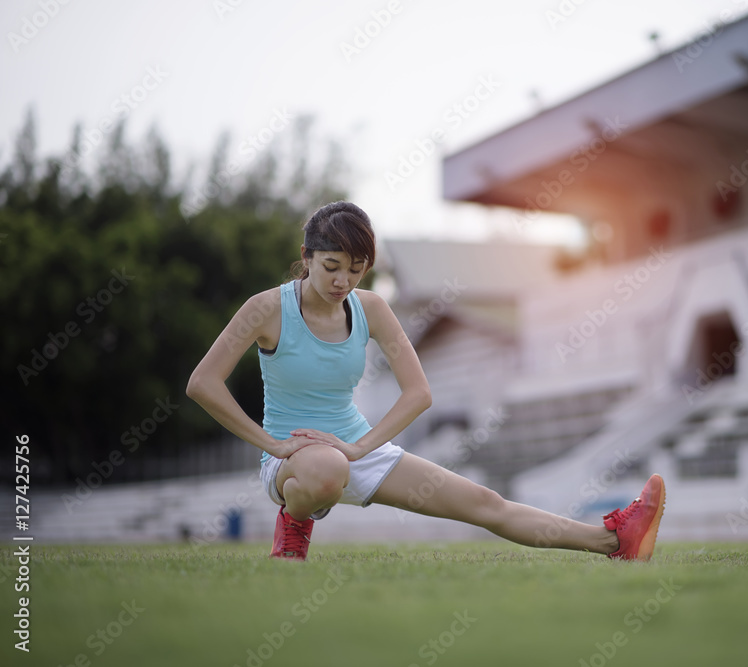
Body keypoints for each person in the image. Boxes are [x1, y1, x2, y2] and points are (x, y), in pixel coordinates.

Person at [186, 201, 665, 561]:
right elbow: (203, 383)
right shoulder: (267, 309)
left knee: (485, 502)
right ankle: (294, 520)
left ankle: (614, 539)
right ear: (307, 257)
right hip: (295, 462)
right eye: (331, 267)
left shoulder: (370, 308)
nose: (342, 282)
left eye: (356, 271)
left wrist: (359, 448)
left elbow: (418, 393)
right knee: (327, 470)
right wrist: (273, 444)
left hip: (356, 447)